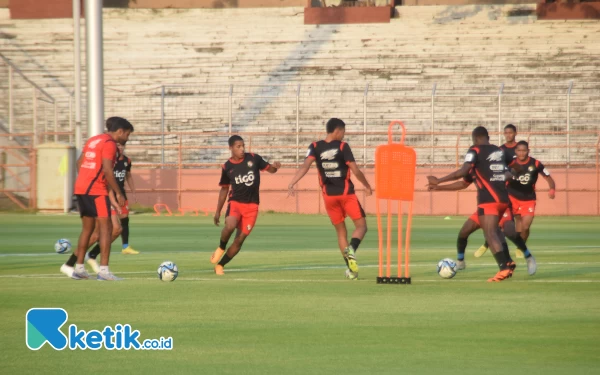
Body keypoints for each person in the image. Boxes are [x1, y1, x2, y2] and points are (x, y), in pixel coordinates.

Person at [427, 126, 516, 282]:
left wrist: (438, 180)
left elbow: (462, 171)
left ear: (475, 138)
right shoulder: (498, 152)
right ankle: (508, 260)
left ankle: (504, 268)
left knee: (489, 234)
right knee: (494, 231)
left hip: (488, 200)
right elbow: (464, 183)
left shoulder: (475, 150)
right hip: (503, 200)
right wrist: (439, 188)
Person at [287, 118, 373, 280]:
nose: (344, 135)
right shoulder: (342, 146)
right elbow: (355, 169)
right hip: (346, 194)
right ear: (337, 131)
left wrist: (292, 182)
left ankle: (351, 271)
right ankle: (352, 249)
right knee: (361, 226)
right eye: (343, 132)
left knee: (341, 232)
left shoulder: (314, 146)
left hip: (329, 197)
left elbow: (305, 166)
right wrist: (367, 185)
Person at [428, 166, 537, 275]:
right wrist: (439, 187)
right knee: (464, 232)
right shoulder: (471, 169)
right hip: (485, 207)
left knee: (509, 232)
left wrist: (508, 175)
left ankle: (527, 256)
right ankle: (460, 261)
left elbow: (510, 174)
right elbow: (463, 183)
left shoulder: (495, 166)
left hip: (501, 206)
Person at [65, 117, 133, 280]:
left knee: (87, 229)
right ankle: (104, 271)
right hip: (97, 190)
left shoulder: (94, 140)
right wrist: (117, 192)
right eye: (128, 134)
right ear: (120, 132)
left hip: (81, 188)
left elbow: (79, 162)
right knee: (106, 228)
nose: (127, 138)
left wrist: (85, 179)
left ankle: (79, 268)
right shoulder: (109, 144)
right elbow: (108, 171)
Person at [210, 135, 281, 275]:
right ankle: (221, 247)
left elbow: (270, 169)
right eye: (238, 146)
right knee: (229, 225)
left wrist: (274, 167)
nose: (242, 149)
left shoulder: (254, 158)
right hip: (235, 203)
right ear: (231, 148)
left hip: (252, 207)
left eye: (243, 146)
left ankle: (220, 265)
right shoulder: (227, 166)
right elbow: (224, 188)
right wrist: (218, 211)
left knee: (239, 241)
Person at [475, 123, 518, 257]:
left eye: (510, 132)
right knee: (498, 225)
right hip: (501, 192)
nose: (508, 135)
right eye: (506, 133)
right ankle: (489, 245)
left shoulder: (519, 149)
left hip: (515, 191)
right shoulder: (499, 151)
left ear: (515, 133)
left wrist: (511, 173)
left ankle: (518, 252)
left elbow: (515, 167)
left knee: (513, 226)